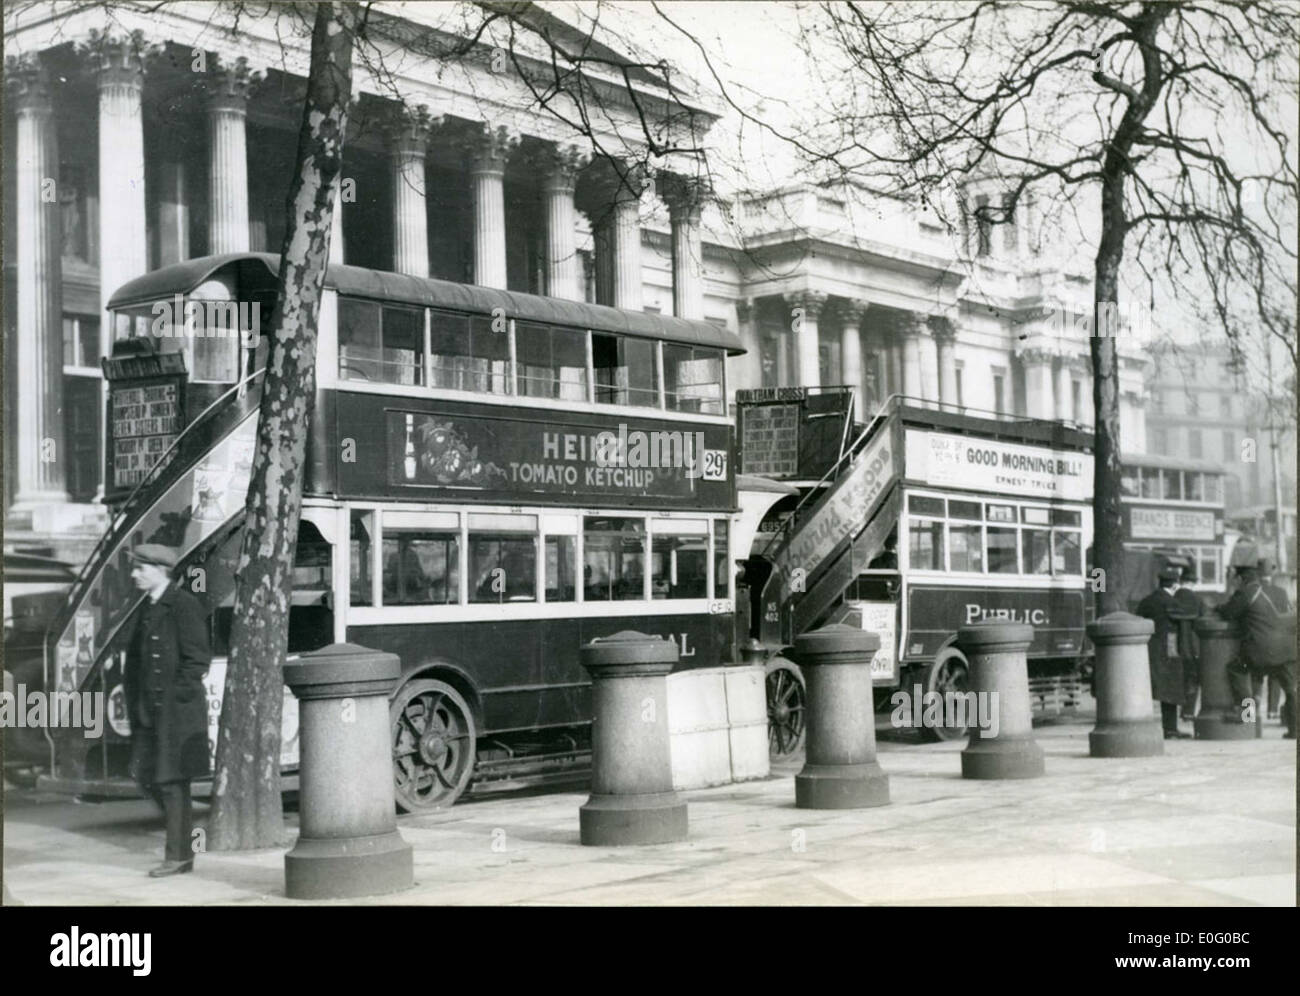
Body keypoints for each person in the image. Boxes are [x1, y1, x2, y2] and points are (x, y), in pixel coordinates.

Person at [125, 543, 212, 876]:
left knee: (172, 783)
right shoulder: (148, 606)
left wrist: (176, 698)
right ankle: (185, 838)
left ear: (159, 570)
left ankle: (178, 856)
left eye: (140, 568)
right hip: (150, 712)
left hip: (176, 713)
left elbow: (196, 660)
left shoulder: (183, 605)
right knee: (142, 773)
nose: (134, 574)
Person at [1217, 563, 1296, 739]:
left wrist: (1218, 608)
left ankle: (1248, 714)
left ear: (1240, 579)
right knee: (1291, 689)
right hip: (1287, 648)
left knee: (1237, 669)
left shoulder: (1246, 592)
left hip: (1261, 650)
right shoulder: (1271, 592)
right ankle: (1295, 730)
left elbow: (1229, 612)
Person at [1135, 564, 1193, 738]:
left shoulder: (1147, 601)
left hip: (1148, 649)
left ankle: (1141, 726)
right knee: (1171, 689)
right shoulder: (1173, 603)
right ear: (1175, 585)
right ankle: (1170, 728)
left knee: (1150, 688)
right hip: (1170, 649)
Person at [1173, 564, 1203, 722]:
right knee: (1193, 679)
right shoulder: (1198, 600)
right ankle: (1188, 712)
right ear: (1193, 583)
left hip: (1173, 646)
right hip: (1193, 647)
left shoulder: (1172, 598)